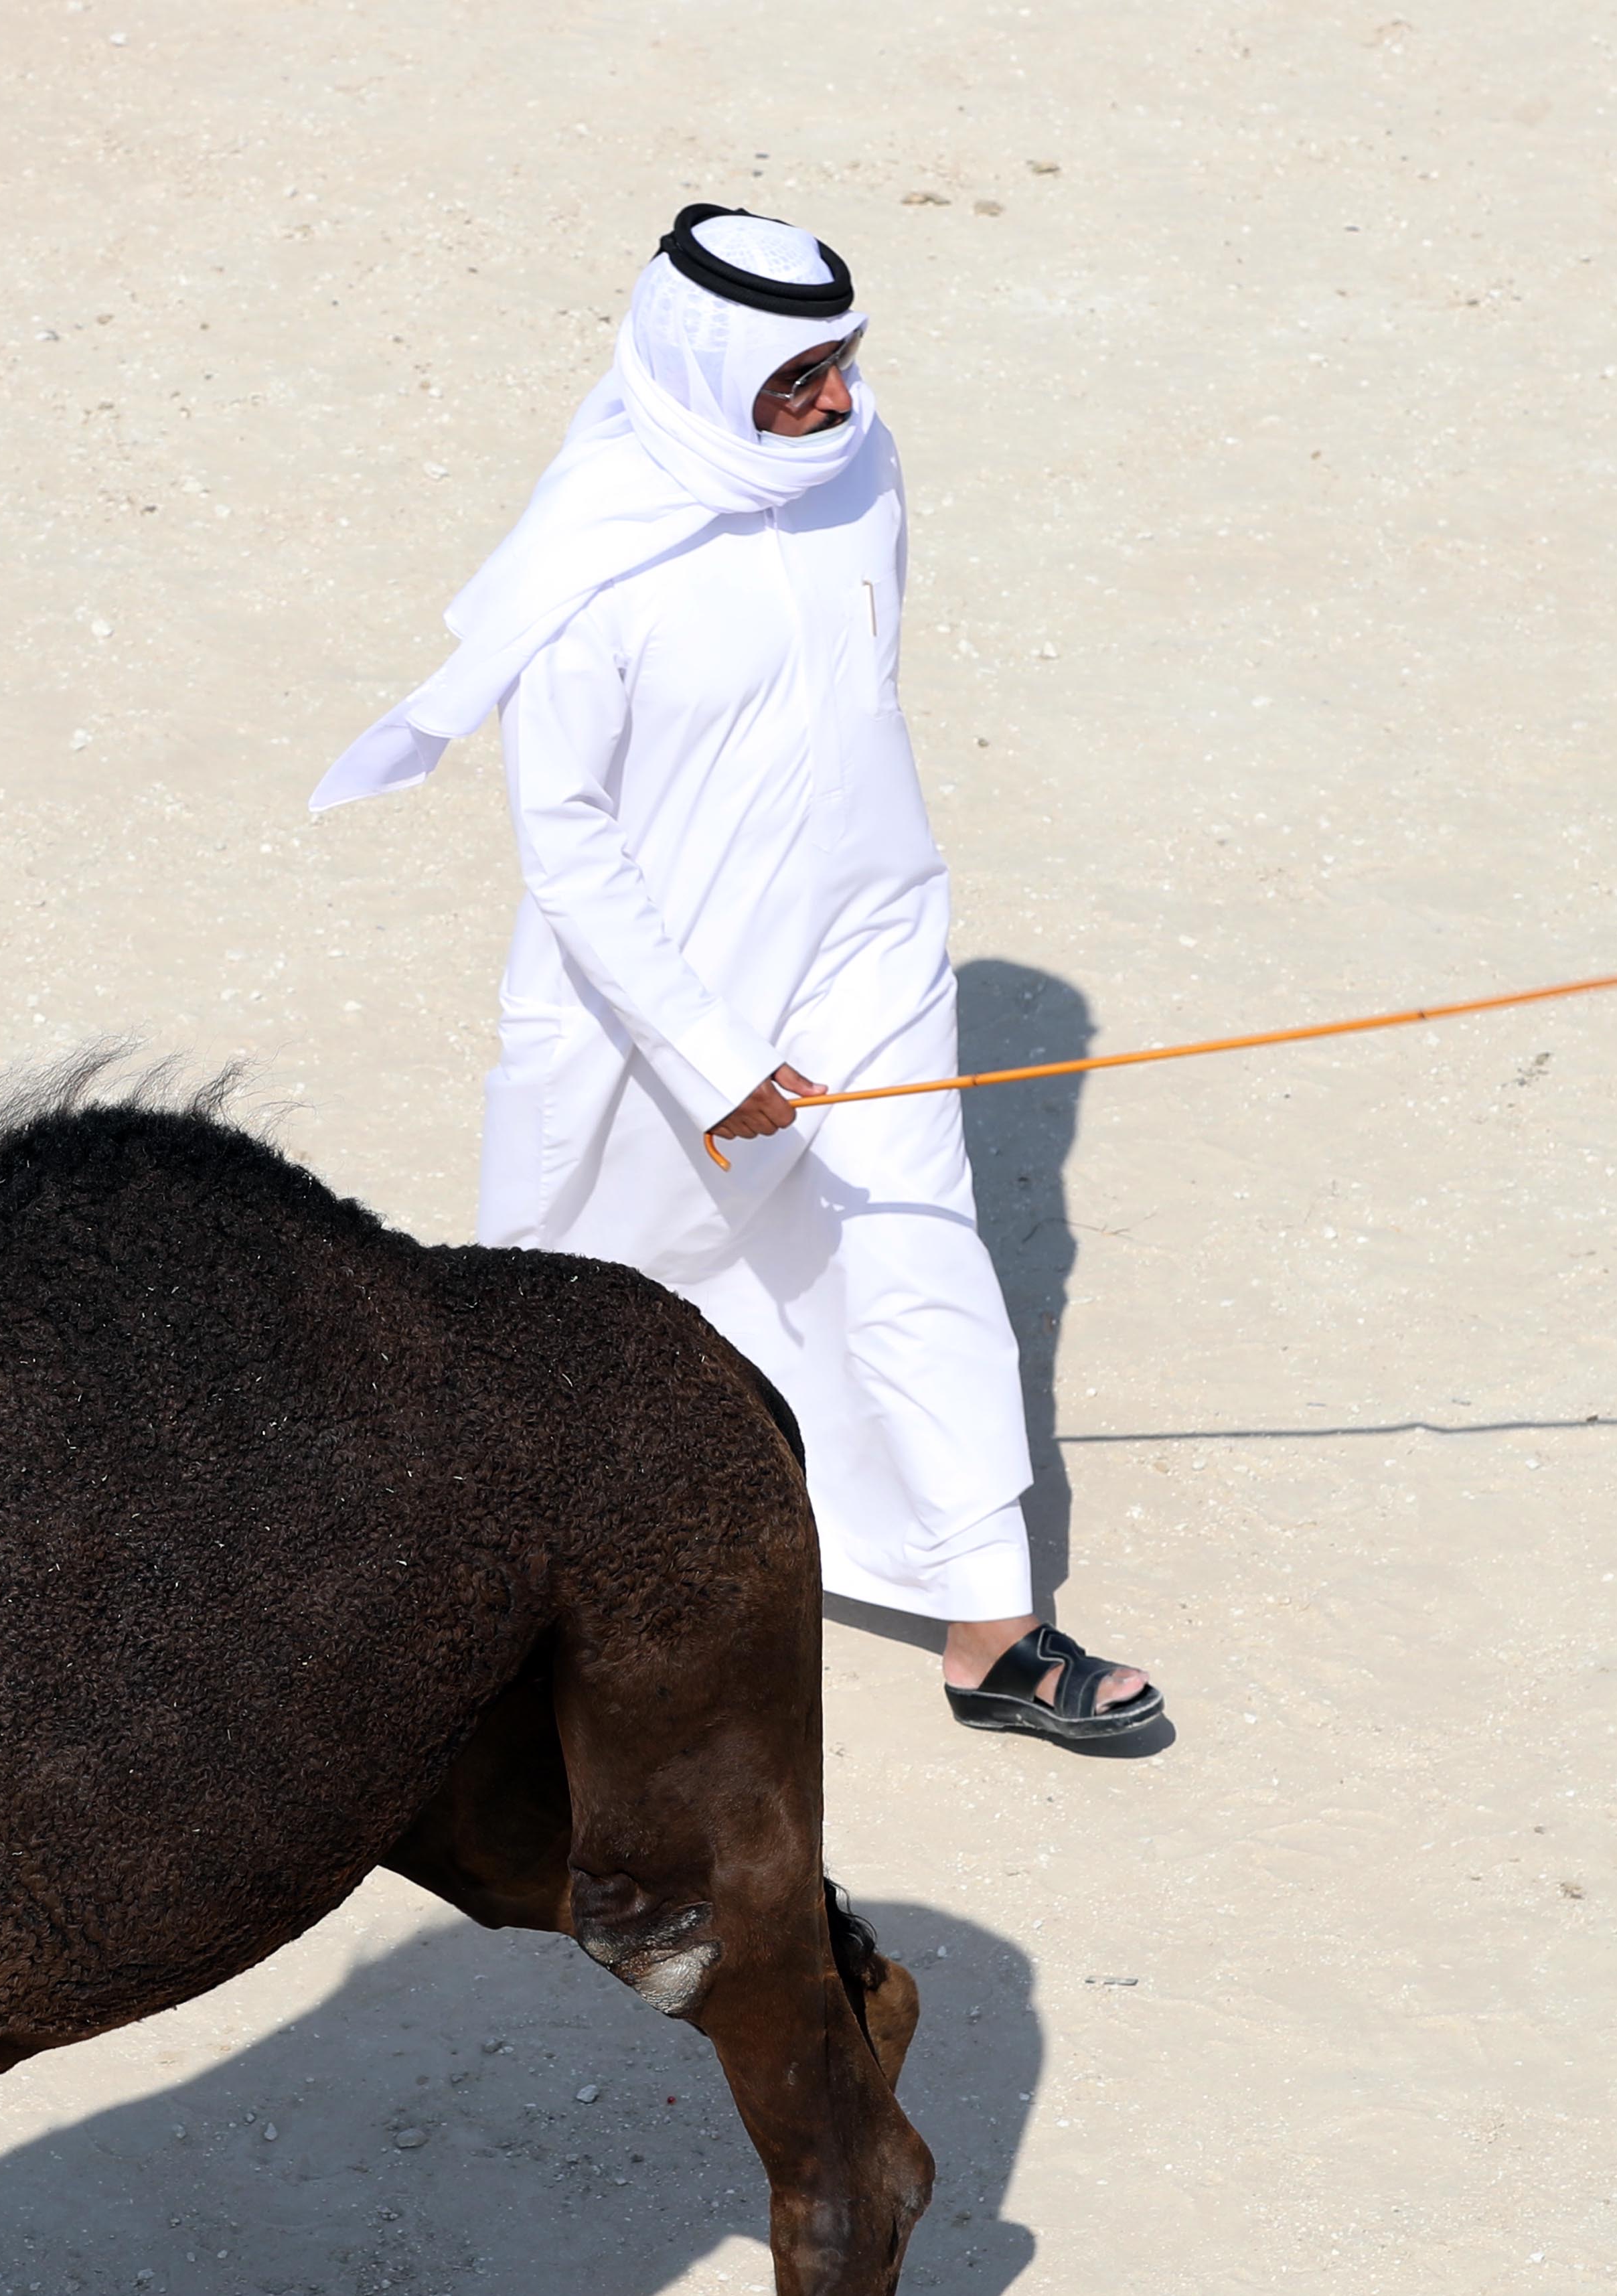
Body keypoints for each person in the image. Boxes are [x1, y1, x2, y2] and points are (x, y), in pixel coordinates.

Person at [314, 204, 1161, 1746]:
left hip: (873, 940)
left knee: (917, 1238)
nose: (838, 402)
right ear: (707, 376)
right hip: (658, 1004)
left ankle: (995, 1624)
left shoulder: (866, 469)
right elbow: (569, 851)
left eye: (844, 362)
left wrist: (868, 922)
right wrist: (716, 1060)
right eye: (800, 381)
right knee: (597, 1304)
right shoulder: (592, 569)